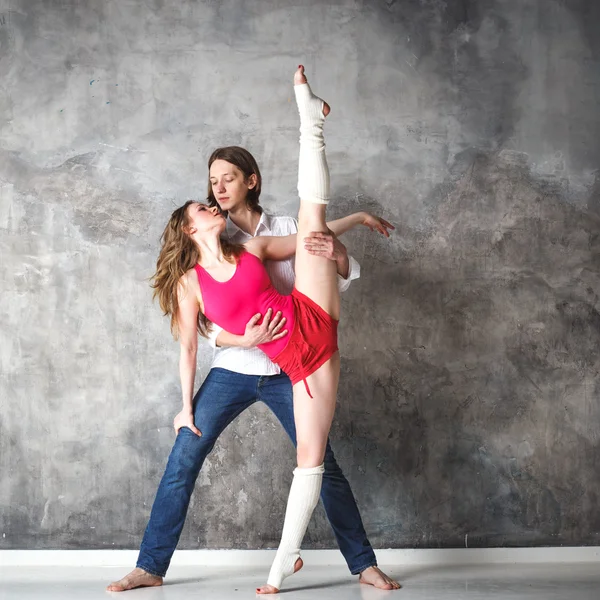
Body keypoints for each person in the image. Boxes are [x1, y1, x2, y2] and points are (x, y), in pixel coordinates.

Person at [107, 66, 399, 594]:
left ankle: (363, 564)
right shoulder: (204, 261)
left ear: (251, 181)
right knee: (184, 454)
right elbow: (200, 333)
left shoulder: (277, 233)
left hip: (291, 367)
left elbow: (323, 260)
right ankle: (150, 565)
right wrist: (235, 340)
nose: (217, 188)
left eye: (227, 179)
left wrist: (345, 239)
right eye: (211, 183)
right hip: (237, 369)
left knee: (323, 465)